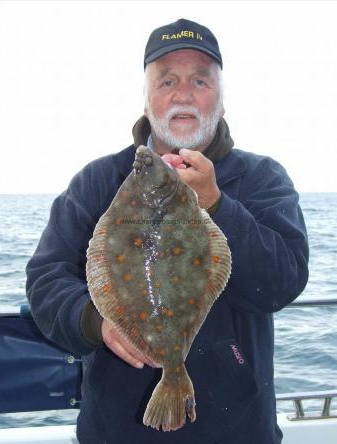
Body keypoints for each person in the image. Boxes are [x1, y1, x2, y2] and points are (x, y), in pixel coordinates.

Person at [26, 18, 309, 444]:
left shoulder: (261, 179)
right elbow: (46, 280)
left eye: (200, 80)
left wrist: (217, 203)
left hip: (236, 430)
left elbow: (281, 284)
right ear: (146, 102)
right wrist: (96, 322)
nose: (183, 93)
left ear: (222, 101)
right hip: (117, 431)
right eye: (167, 81)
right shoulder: (98, 181)